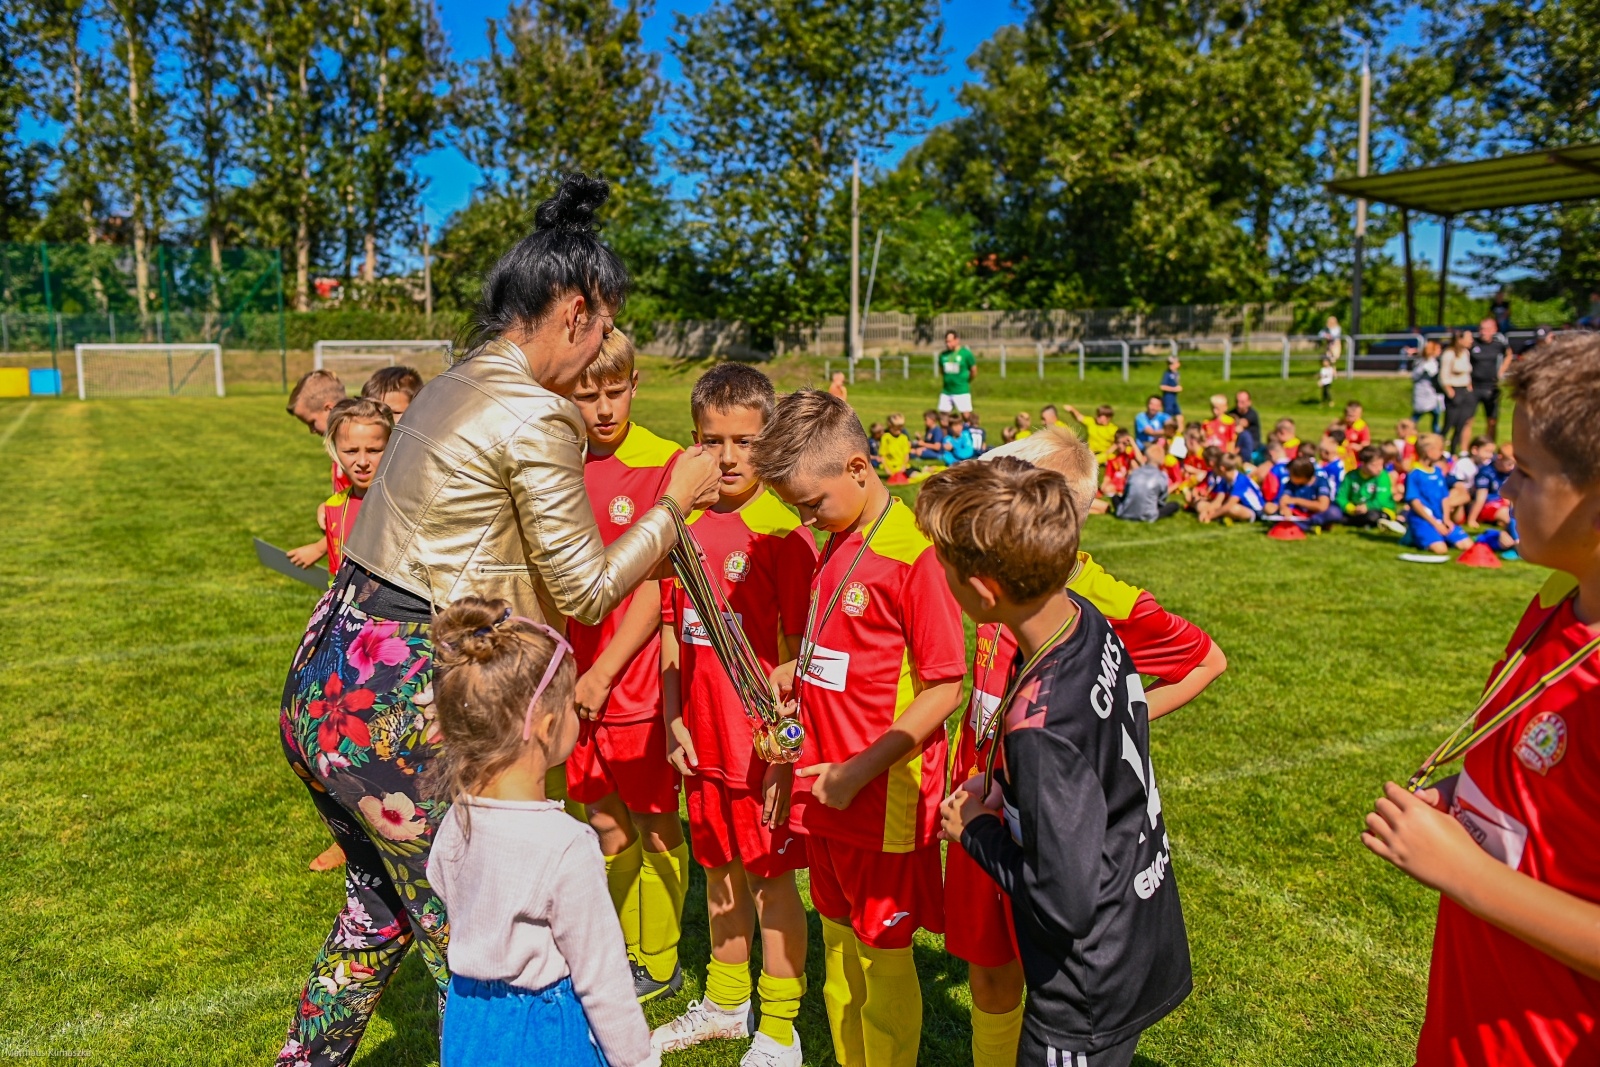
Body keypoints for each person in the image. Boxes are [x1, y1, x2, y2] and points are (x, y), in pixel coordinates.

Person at [275, 175, 721, 1067]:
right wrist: (673, 505)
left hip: (322, 683)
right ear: (578, 312)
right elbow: (589, 586)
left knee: (379, 911)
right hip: (400, 707)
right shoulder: (533, 410)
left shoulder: (456, 380)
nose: (598, 356)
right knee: (479, 957)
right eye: (604, 327)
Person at [938, 430, 1222, 1067]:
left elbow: (1205, 661)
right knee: (990, 970)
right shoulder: (1056, 613)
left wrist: (1110, 727)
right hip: (1000, 805)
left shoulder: (1092, 609)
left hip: (1042, 836)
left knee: (1047, 961)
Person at [1363, 334, 1600, 1067]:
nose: (1504, 490)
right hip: (1469, 1030)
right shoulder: (1560, 600)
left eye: (1524, 473)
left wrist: (1464, 872)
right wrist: (1461, 792)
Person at [753, 389, 967, 1067]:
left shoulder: (914, 555)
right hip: (826, 792)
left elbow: (945, 684)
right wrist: (797, 675)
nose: (805, 519)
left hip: (882, 798)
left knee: (883, 953)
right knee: (840, 945)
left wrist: (859, 770)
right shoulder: (836, 539)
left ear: (856, 467)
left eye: (811, 503)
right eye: (795, 509)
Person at [652, 364, 816, 1066]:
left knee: (773, 881)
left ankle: (780, 1026)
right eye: (710, 439)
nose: (725, 457)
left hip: (759, 749)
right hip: (703, 736)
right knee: (720, 869)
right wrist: (672, 719)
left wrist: (784, 752)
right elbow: (669, 627)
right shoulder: (681, 523)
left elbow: (797, 659)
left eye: (744, 441)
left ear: (769, 439)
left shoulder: (782, 532)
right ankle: (726, 999)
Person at [423, 599, 659, 1067]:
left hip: (468, 1022)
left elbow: (438, 879)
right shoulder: (567, 845)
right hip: (543, 1033)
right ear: (548, 727)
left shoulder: (457, 817)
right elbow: (603, 978)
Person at [565, 331, 690, 1003]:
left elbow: (657, 583)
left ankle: (660, 957)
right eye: (588, 395)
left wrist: (606, 669)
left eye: (616, 391)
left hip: (633, 675)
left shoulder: (664, 464)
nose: (604, 407)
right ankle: (611, 948)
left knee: (653, 817)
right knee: (603, 821)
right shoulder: (559, 461)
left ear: (636, 385)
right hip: (572, 673)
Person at [1402, 433, 1471, 555]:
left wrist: (1446, 519)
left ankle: (1439, 536)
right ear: (1429, 452)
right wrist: (1435, 524)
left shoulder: (1438, 472)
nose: (1442, 453)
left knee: (1467, 545)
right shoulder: (1414, 474)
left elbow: (1444, 497)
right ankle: (1413, 535)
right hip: (1424, 520)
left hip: (1440, 518)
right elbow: (1414, 502)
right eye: (1440, 450)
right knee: (1440, 550)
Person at [1334, 446, 1402, 531]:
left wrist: (1367, 506)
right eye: (1374, 465)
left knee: (1372, 516)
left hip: (1380, 510)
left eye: (1381, 464)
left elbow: (1382, 500)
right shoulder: (1351, 476)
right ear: (1363, 463)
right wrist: (1351, 508)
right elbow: (1341, 497)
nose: (1379, 468)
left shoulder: (1383, 476)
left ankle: (1349, 521)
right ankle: (1355, 521)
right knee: (1334, 511)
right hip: (1356, 510)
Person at [1117, 439, 1181, 522]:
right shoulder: (1162, 476)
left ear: (1145, 458)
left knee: (1115, 497)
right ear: (1162, 461)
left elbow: (1126, 493)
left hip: (1125, 512)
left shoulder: (1135, 472)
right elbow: (1161, 500)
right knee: (1174, 505)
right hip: (1148, 515)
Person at [1469, 316, 1511, 442]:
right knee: (1467, 420)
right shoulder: (1473, 344)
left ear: (1494, 330)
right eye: (1481, 329)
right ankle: (1464, 450)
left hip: (1492, 387)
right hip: (1474, 387)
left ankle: (1490, 447)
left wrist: (1502, 371)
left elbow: (1509, 355)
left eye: (1487, 329)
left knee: (1492, 420)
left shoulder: (1498, 345)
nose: (1483, 332)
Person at [1197, 453, 1265, 524]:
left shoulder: (1241, 480)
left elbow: (1229, 504)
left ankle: (1220, 515)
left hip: (1254, 510)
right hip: (1238, 505)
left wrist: (1210, 517)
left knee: (1231, 508)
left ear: (1222, 468)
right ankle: (1223, 516)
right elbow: (1218, 501)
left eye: (1215, 467)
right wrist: (1206, 512)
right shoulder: (1224, 479)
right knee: (1201, 505)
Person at [1279, 456, 1341, 530]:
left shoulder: (1321, 482)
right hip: (1298, 514)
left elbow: (1322, 506)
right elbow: (1284, 499)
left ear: (1302, 476)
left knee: (1334, 512)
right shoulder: (1291, 483)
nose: (1289, 477)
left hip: (1316, 514)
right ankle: (1310, 526)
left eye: (1291, 475)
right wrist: (1284, 508)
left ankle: (1307, 525)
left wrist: (1296, 500)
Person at [1440, 328, 1476, 453]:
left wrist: (1469, 386)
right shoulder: (1449, 354)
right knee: (1449, 424)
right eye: (1468, 337)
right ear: (1459, 339)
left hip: (1465, 390)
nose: (1471, 340)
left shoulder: (1466, 352)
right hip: (1454, 391)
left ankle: (1453, 451)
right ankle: (1438, 448)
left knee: (1461, 424)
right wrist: (1449, 391)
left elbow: (1467, 372)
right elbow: (1443, 374)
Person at [1467, 441, 1516, 528]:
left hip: (1505, 503)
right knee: (1510, 517)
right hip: (1488, 505)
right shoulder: (1486, 472)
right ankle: (1517, 539)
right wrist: (1472, 519)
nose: (1512, 467)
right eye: (1509, 464)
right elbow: (1480, 498)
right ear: (1499, 458)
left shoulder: (1510, 471)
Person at [938, 330, 977, 415]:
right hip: (947, 391)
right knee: (943, 417)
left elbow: (973, 370)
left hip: (961, 390)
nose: (947, 344)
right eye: (946, 342)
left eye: (949, 341)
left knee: (966, 416)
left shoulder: (966, 354)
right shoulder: (943, 355)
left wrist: (967, 380)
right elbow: (941, 370)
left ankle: (968, 428)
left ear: (957, 340)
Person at [1411, 341, 1444, 433]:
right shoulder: (1423, 363)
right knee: (1416, 416)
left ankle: (1437, 435)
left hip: (1433, 394)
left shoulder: (1434, 362)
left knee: (1436, 415)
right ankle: (1408, 432)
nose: (1440, 351)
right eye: (1438, 349)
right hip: (1423, 393)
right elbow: (1415, 376)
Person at [879, 413, 911, 485]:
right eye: (896, 428)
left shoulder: (904, 438)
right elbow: (882, 455)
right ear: (890, 427)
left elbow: (906, 454)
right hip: (891, 467)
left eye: (901, 428)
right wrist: (886, 468)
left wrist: (903, 466)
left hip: (901, 467)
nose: (899, 430)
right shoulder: (885, 437)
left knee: (914, 475)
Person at [1228, 391, 1263, 457]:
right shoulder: (1231, 413)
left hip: (1251, 445)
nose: (1239, 405)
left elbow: (1241, 424)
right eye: (1237, 401)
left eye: (1242, 402)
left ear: (1249, 402)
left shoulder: (1252, 414)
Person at [1159, 356, 1182, 420]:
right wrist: (1174, 389)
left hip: (1174, 398)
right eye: (1169, 364)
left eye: (1172, 363)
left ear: (1178, 364)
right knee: (1167, 415)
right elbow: (1162, 387)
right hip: (1168, 397)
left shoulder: (1177, 373)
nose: (1170, 365)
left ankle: (1180, 429)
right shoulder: (1167, 374)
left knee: (1179, 414)